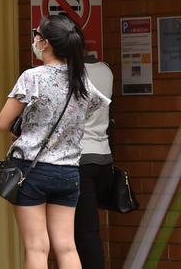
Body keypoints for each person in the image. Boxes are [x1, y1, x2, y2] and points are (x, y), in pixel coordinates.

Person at [0, 14, 110, 269]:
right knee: (67, 246)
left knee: (37, 247)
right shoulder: (81, 80)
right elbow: (86, 113)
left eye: (36, 35)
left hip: (32, 169)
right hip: (70, 171)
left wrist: (27, 129)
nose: (34, 39)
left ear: (44, 43)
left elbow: (2, 123)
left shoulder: (32, 77)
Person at [75, 58, 114, 268]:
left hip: (79, 160)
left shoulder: (67, 74)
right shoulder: (105, 70)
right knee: (86, 230)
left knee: (84, 234)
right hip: (103, 158)